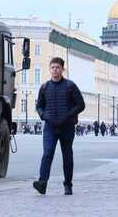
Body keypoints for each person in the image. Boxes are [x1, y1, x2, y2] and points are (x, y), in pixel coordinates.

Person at [33, 57, 85, 196]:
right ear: (50, 69)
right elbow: (39, 106)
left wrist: (68, 115)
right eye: (52, 67)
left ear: (62, 69)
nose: (55, 70)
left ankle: (68, 184)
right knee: (47, 153)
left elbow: (81, 105)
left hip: (67, 127)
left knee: (67, 155)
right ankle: (42, 183)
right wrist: (43, 116)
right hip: (50, 127)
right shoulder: (44, 87)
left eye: (57, 67)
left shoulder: (70, 86)